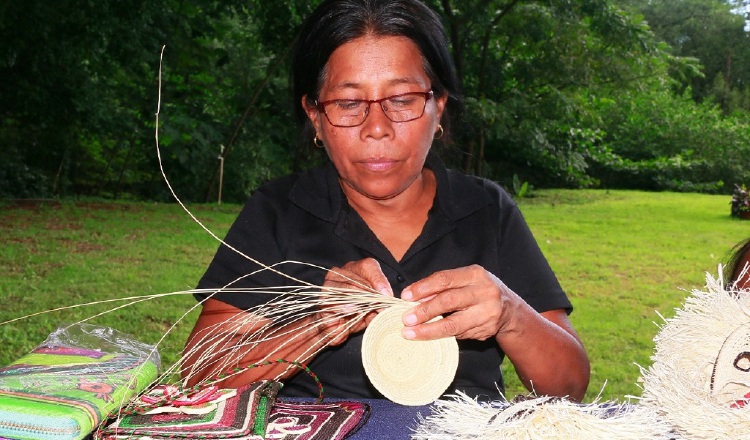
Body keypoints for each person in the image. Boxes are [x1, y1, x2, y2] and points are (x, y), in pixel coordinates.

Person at [182, 0, 590, 402]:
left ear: (438, 108)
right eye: (347, 103)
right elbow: (200, 374)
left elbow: (569, 386)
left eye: (402, 100)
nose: (377, 128)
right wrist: (317, 325)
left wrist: (509, 313)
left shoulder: (486, 209)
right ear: (315, 118)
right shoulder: (279, 211)